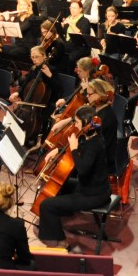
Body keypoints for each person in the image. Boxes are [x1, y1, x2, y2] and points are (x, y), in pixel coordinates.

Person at [36, 105, 112, 250]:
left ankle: (61, 241)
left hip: (93, 195)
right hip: (90, 186)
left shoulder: (95, 145)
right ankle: (59, 215)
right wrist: (58, 150)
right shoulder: (93, 136)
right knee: (59, 183)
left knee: (46, 205)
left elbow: (82, 170)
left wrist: (74, 149)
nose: (75, 125)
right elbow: (82, 151)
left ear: (86, 123)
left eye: (77, 122)